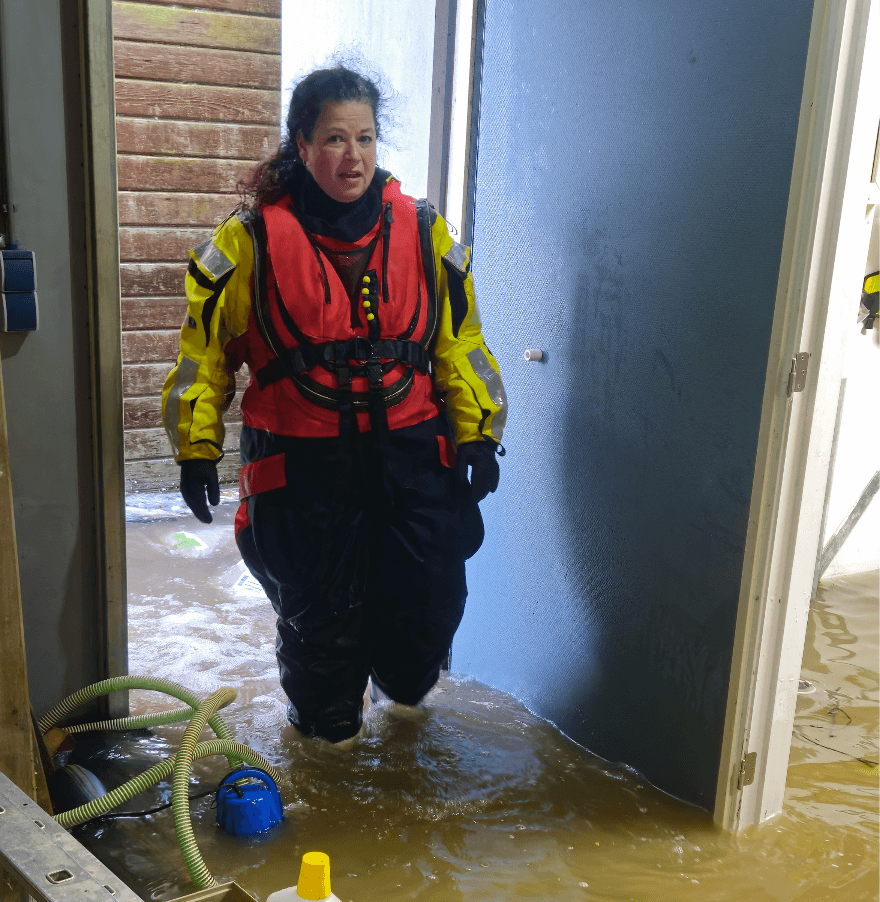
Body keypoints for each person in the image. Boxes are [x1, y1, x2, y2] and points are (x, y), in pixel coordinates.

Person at [162, 66, 507, 743]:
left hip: (412, 460)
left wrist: (478, 435)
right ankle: (328, 761)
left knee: (424, 629)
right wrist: (196, 448)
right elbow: (202, 356)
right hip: (303, 472)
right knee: (322, 642)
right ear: (301, 143)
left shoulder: (425, 229)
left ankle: (403, 738)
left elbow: (460, 344)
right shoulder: (250, 239)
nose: (353, 156)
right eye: (335, 139)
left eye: (366, 138)